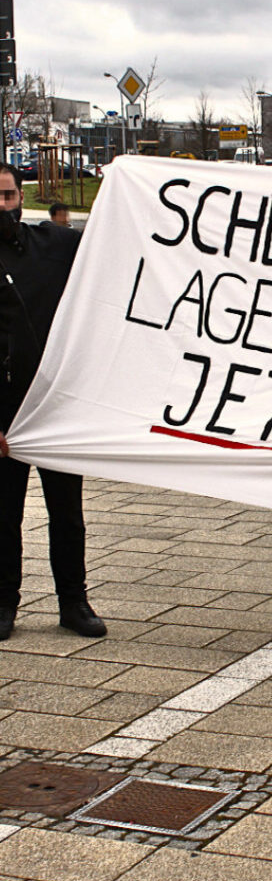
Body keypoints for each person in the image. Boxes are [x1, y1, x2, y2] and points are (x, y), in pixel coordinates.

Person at [0, 162, 105, 640]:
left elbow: (112, 240)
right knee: (4, 516)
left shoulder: (53, 244)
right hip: (4, 416)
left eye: (6, 196)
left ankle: (74, 602)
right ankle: (4, 605)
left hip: (55, 407)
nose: (1, 206)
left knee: (68, 514)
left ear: (21, 197)